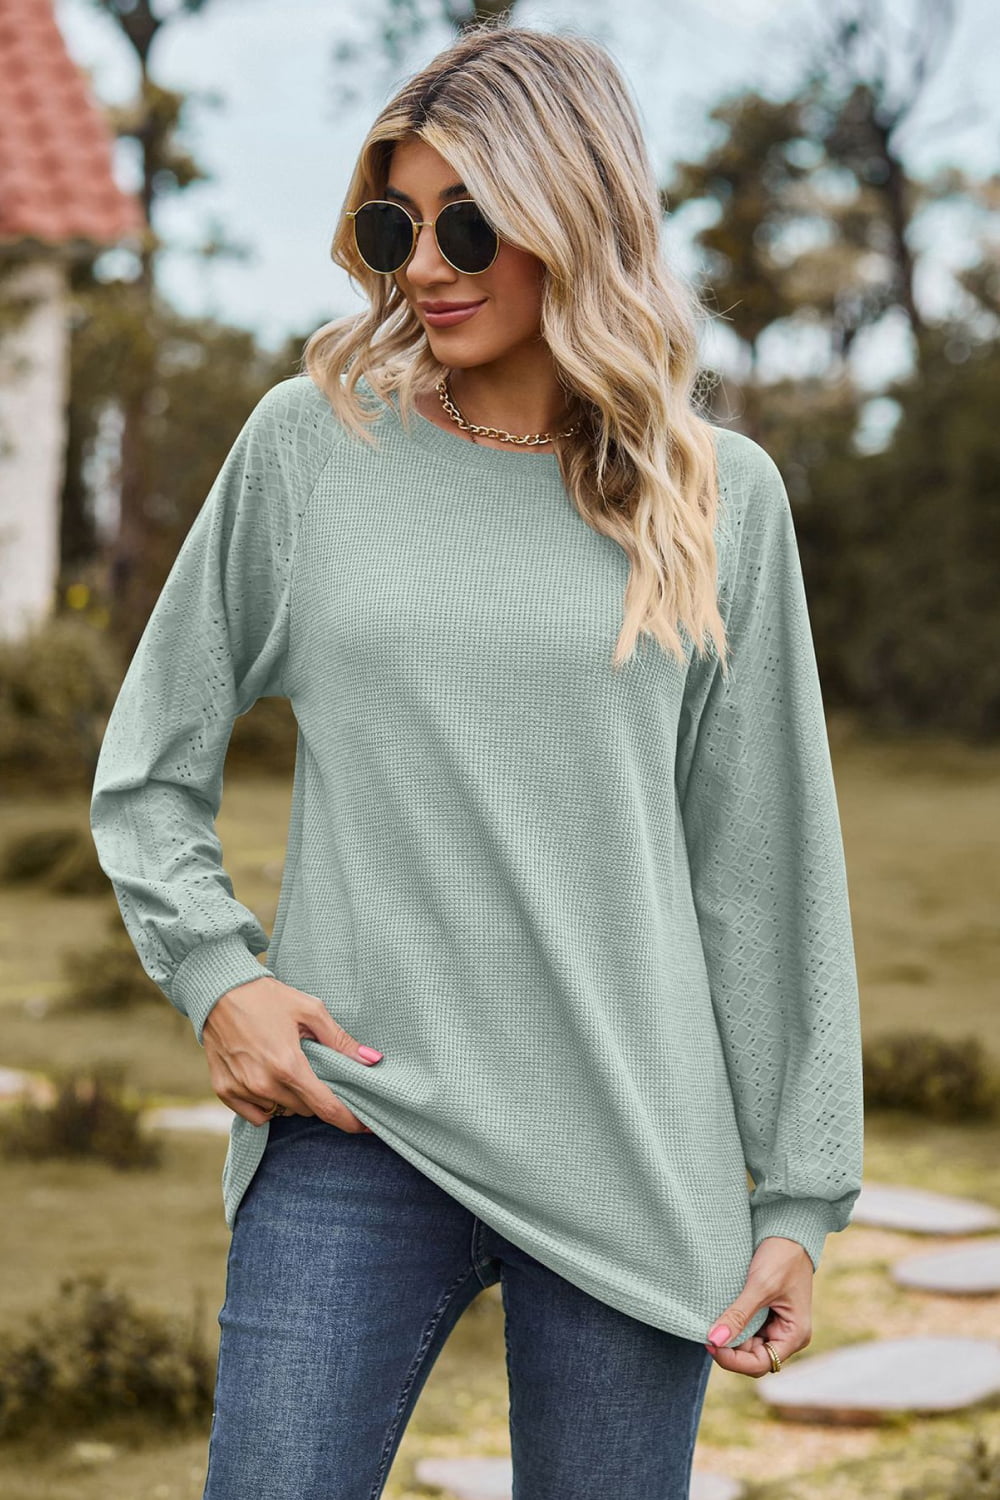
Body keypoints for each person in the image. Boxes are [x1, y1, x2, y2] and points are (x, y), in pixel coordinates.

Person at [89, 21, 864, 1500]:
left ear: (576, 218)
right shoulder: (310, 449)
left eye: (468, 222)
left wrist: (800, 1198)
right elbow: (148, 767)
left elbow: (764, 871)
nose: (427, 266)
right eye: (396, 225)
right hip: (354, 1119)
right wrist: (219, 975)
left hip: (633, 1151)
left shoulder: (721, 500)